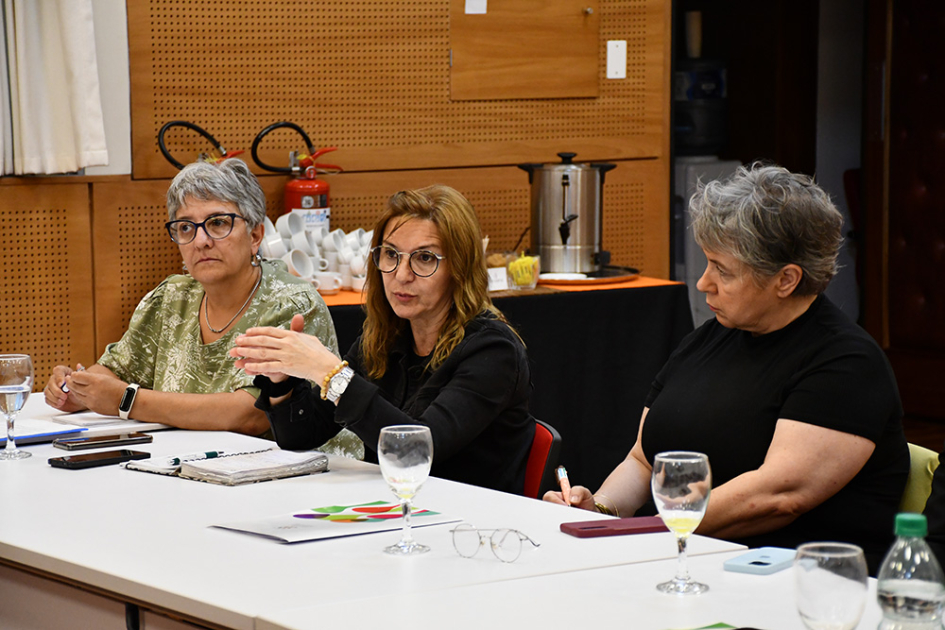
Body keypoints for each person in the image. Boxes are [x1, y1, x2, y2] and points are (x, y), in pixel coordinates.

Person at [545, 163, 909, 571]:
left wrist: (644, 533)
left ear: (786, 280)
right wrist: (602, 511)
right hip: (686, 555)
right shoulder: (710, 337)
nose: (703, 283)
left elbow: (775, 497)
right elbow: (644, 460)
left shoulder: (846, 364)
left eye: (723, 270)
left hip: (794, 578)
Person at [230, 184, 535, 494]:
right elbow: (300, 436)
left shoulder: (494, 351)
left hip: (473, 525)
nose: (401, 274)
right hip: (390, 512)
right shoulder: (385, 339)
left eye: (425, 258)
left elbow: (417, 452)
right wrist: (282, 380)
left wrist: (330, 374)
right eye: (390, 254)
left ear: (459, 268)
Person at [43, 159, 359, 453]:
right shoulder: (170, 298)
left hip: (299, 479)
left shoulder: (291, 303)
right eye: (185, 227)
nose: (201, 241)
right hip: (188, 464)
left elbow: (252, 414)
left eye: (218, 223)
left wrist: (126, 401)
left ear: (255, 235)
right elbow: (115, 370)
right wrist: (77, 389)